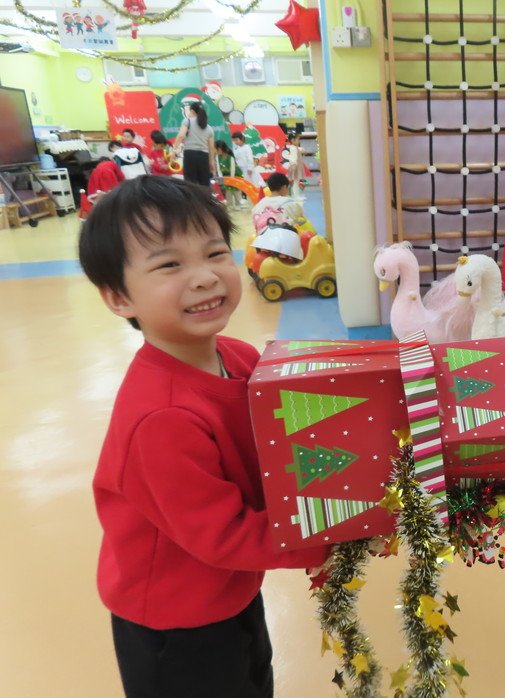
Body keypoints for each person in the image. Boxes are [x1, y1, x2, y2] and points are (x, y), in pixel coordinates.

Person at [77, 176, 330, 698]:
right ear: (119, 297)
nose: (204, 277)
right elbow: (223, 534)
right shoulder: (162, 418)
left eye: (215, 253)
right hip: (174, 622)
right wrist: (325, 536)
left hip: (230, 588)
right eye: (169, 265)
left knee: (254, 679)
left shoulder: (238, 356)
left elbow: (278, 441)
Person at [173, 102, 215, 187]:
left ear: (192, 111)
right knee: (204, 184)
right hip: (204, 157)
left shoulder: (187, 121)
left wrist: (174, 150)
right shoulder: (209, 128)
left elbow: (181, 136)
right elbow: (211, 148)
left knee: (190, 184)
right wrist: (211, 162)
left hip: (190, 155)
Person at [281, 131, 306, 198]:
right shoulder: (293, 148)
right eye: (298, 139)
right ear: (292, 140)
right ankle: (296, 195)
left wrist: (303, 150)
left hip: (297, 167)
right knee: (296, 182)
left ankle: (297, 194)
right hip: (295, 167)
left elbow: (301, 150)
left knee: (297, 182)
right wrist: (294, 166)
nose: (299, 141)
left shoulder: (295, 147)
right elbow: (293, 158)